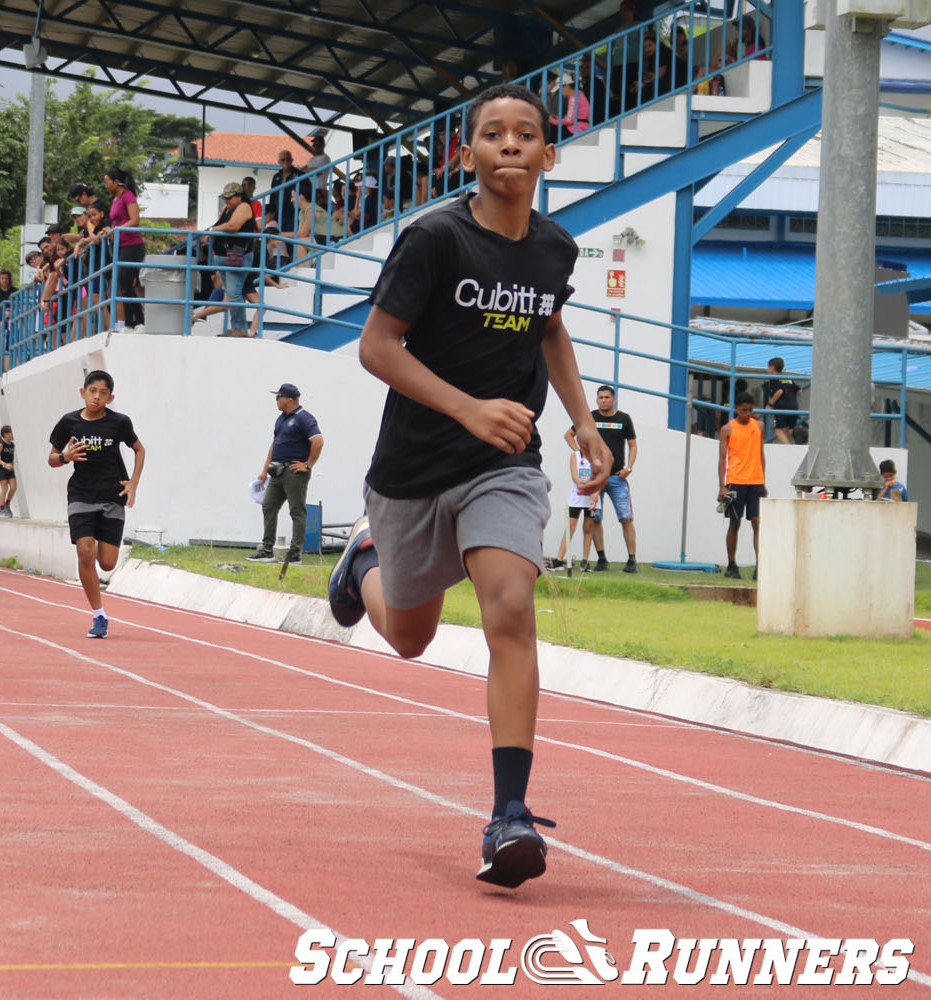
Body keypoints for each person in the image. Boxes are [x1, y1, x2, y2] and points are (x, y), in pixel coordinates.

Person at [325, 83, 612, 890]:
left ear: (549, 153)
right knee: (409, 637)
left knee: (510, 608)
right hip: (414, 468)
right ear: (468, 154)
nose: (510, 144)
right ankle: (362, 564)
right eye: (493, 134)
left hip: (504, 463)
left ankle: (508, 814)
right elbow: (377, 346)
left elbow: (549, 325)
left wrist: (582, 420)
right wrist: (466, 408)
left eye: (526, 134)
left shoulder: (555, 250)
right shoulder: (434, 239)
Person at [48, 370, 146, 639]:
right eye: (92, 391)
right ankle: (98, 615)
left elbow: (139, 449)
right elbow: (52, 459)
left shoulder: (119, 422)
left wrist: (133, 482)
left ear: (110, 398)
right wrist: (66, 456)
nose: (96, 397)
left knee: (107, 563)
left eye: (103, 393)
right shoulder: (69, 422)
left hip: (113, 495)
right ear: (83, 392)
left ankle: (99, 602)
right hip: (81, 495)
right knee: (84, 550)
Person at [247, 383, 324, 565]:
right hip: (277, 471)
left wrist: (307, 465)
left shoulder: (304, 418)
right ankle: (267, 550)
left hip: (294, 472)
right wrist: (264, 470)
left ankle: (295, 554)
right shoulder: (281, 419)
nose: (276, 400)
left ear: (289, 398)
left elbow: (318, 441)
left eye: (279, 396)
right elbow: (275, 444)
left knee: (296, 511)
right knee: (268, 506)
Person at [564, 385, 637, 571]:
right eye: (600, 397)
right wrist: (580, 454)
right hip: (594, 479)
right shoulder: (590, 418)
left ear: (614, 399)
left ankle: (631, 560)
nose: (603, 400)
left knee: (626, 518)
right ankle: (601, 559)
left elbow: (633, 445)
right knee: (594, 519)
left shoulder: (624, 419)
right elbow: (569, 435)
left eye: (607, 397)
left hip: (616, 477)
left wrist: (629, 468)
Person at [719, 392, 766, 580]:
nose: (747, 414)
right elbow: (723, 458)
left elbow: (761, 454)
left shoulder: (759, 426)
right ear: (736, 408)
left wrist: (763, 481)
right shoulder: (727, 429)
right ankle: (731, 565)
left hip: (756, 482)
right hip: (736, 481)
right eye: (744, 410)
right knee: (734, 522)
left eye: (750, 410)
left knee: (757, 522)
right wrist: (723, 486)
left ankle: (760, 566)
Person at [208, 180, 257, 337]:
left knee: (234, 294)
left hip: (236, 256)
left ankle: (240, 329)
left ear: (239, 196)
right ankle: (236, 327)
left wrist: (213, 229)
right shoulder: (229, 208)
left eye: (229, 198)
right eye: (225, 198)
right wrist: (213, 230)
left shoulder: (244, 207)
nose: (226, 200)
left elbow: (233, 226)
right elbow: (225, 224)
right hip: (227, 257)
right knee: (231, 294)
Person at [103, 167, 145, 332]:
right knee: (123, 284)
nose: (106, 186)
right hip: (120, 245)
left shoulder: (128, 196)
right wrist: (110, 231)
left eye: (107, 182)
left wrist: (117, 230)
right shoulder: (115, 199)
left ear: (116, 182)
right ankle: (130, 323)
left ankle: (139, 321)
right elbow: (117, 221)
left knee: (125, 281)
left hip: (132, 245)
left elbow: (135, 220)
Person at [550, 448, 598, 570]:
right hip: (577, 497)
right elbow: (575, 477)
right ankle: (559, 560)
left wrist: (595, 493)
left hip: (592, 499)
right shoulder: (575, 456)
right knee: (570, 527)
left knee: (588, 527)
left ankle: (585, 561)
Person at [764, 357, 801, 445]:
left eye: (768, 367)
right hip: (793, 406)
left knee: (779, 430)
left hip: (782, 407)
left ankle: (789, 447)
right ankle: (804, 442)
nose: (767, 369)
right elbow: (799, 391)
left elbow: (779, 391)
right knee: (790, 430)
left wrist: (770, 404)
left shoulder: (774, 378)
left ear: (772, 367)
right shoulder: (787, 378)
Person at [268, 150, 302, 234]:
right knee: (278, 237)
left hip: (294, 214)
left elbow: (306, 193)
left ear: (292, 160)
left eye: (288, 159)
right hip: (278, 213)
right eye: (283, 160)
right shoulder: (276, 176)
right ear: (279, 162)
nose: (285, 162)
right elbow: (272, 195)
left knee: (291, 237)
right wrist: (271, 212)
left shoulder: (300, 175)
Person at [0, 425, 16, 517]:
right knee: (5, 488)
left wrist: (11, 465)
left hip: (10, 469)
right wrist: (5, 464)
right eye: (11, 432)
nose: (13, 434)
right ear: (6, 434)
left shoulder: (12, 445)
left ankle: (7, 504)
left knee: (13, 487)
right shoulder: (1, 445)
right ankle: (2, 508)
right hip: (2, 469)